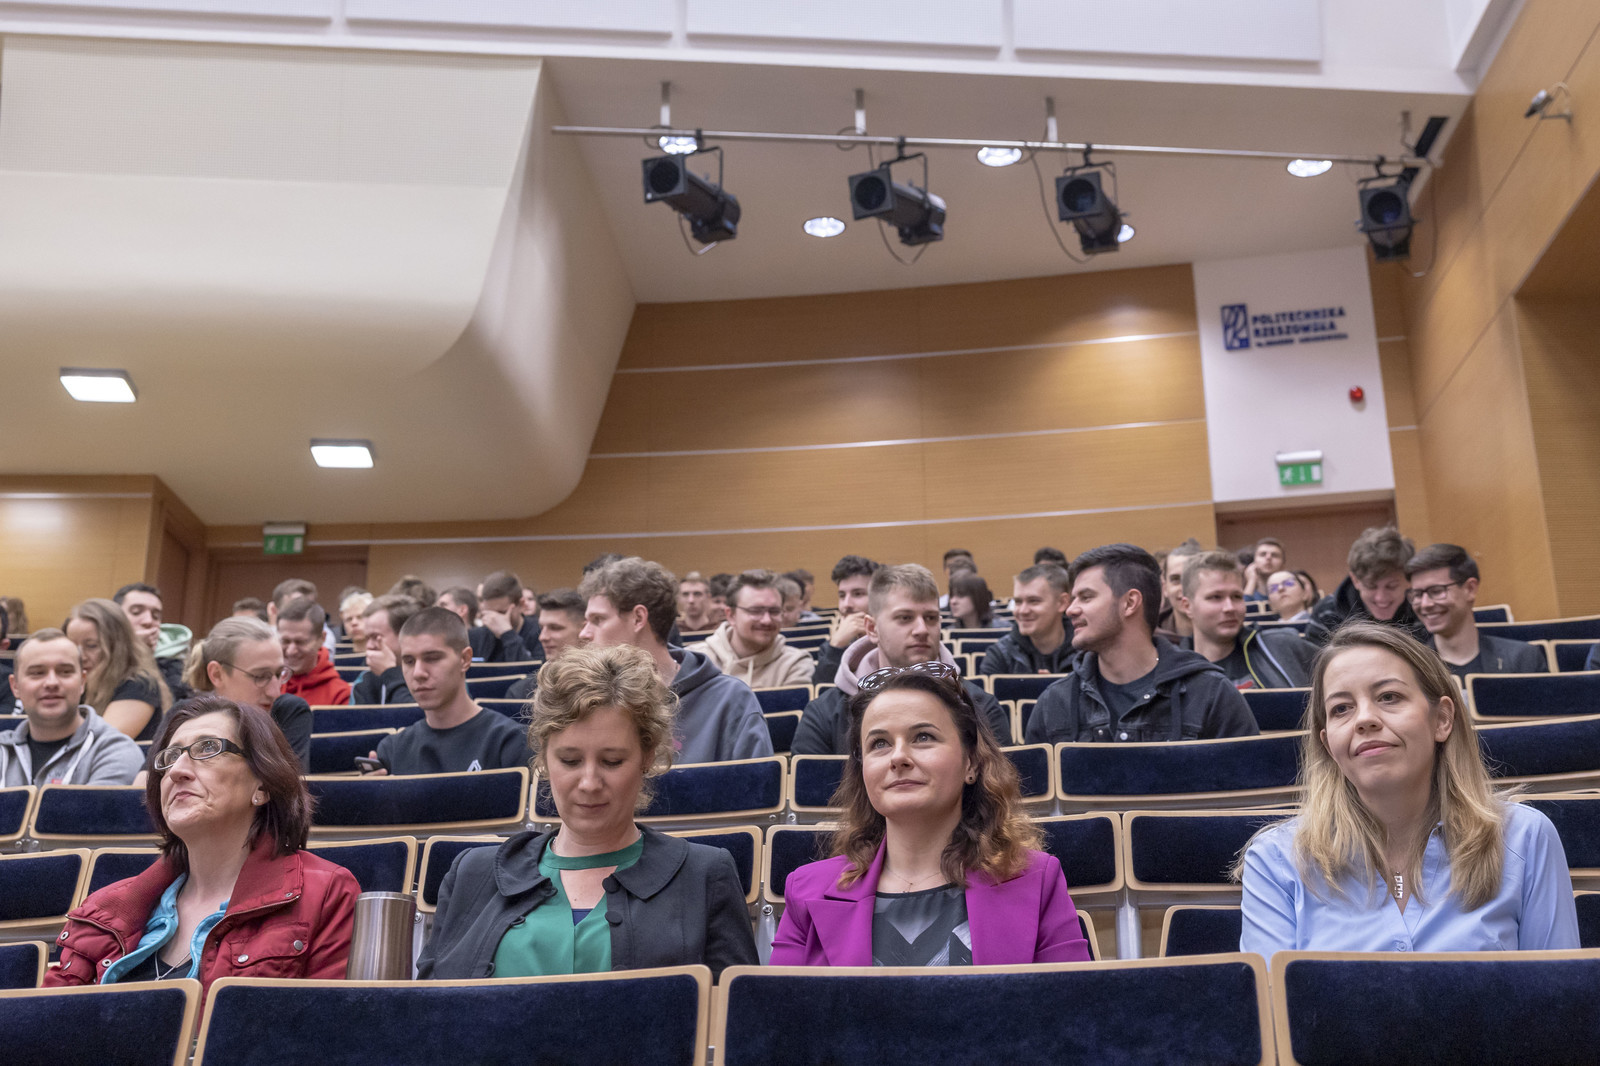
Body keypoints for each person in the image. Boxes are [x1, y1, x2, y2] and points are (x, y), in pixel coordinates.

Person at [418, 645, 758, 979]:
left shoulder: (705, 875)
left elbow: (737, 1009)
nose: (589, 783)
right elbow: (430, 1005)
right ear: (544, 757)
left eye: (612, 761)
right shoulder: (471, 874)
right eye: (570, 760)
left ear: (647, 756)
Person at [1238, 623, 1579, 955]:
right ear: (1328, 745)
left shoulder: (1524, 837)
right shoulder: (1276, 861)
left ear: (1442, 719)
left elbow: (1560, 989)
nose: (1364, 719)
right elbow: (1270, 995)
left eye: (1389, 697)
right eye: (1341, 708)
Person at [773, 665, 1089, 966]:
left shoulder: (1037, 881)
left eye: (923, 737)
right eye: (879, 743)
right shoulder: (806, 892)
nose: (898, 757)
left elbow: (1069, 1003)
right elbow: (783, 1008)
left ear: (971, 763)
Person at [47, 696, 360, 997]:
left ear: (263, 785)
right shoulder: (102, 912)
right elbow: (50, 1023)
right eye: (170, 757)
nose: (177, 771)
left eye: (208, 748)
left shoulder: (325, 894)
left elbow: (327, 1028)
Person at [1024, 545, 1258, 744]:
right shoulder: (1054, 702)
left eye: (1086, 597)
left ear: (1130, 603)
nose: (1071, 610)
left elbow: (1251, 783)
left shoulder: (1211, 695)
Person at [794, 565, 1012, 754]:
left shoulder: (981, 707)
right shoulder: (822, 716)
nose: (922, 629)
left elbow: (1000, 787)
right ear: (872, 629)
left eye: (931, 618)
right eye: (905, 618)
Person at [579, 558, 772, 763]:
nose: (584, 633)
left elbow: (756, 783)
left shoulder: (731, 700)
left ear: (638, 618)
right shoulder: (582, 697)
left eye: (598, 620)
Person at [361, 608, 529, 775]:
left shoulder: (511, 741)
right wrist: (372, 791)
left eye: (432, 658)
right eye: (409, 661)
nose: (418, 673)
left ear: (465, 659)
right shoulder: (392, 750)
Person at [0, 628, 143, 785]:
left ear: (82, 682)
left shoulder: (117, 752)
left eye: (65, 672)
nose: (51, 683)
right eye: (37, 673)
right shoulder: (2, 750)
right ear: (15, 686)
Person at [185, 617, 313, 772]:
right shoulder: (185, 716)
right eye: (260, 676)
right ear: (217, 674)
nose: (275, 692)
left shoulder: (289, 712)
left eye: (279, 674)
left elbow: (290, 784)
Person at [1405, 544, 1546, 681]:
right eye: (1417, 594)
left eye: (1436, 591)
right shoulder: (1411, 668)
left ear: (1470, 589)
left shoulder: (1522, 659)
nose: (1425, 604)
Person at [1178, 552, 1317, 689]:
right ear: (1187, 606)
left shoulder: (1283, 645)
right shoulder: (1173, 670)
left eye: (1237, 596)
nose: (1229, 607)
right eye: (1216, 597)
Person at [687, 569, 815, 688]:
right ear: (731, 615)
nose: (766, 620)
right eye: (755, 611)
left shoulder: (795, 664)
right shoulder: (695, 660)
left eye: (774, 611)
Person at [65, 598, 171, 741]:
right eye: (72, 646)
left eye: (91, 646)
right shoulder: (76, 682)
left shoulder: (138, 685)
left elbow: (101, 743)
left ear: (117, 647)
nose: (80, 656)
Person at [1311, 526, 1427, 642]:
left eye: (1391, 586)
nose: (1381, 597)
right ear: (1355, 580)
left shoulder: (1425, 609)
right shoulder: (1327, 612)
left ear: (1409, 580)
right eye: (1371, 586)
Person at [980, 565, 1071, 675]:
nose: (1023, 611)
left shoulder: (1086, 654)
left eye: (1034, 601)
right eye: (1018, 602)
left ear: (1062, 603)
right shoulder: (999, 656)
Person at [505, 589, 589, 702]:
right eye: (541, 628)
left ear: (584, 630)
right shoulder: (521, 693)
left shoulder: (605, 687)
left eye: (555, 628)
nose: (543, 637)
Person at [114, 582, 193, 702]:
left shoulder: (176, 668)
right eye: (136, 612)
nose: (148, 621)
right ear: (115, 617)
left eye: (155, 616)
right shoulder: (96, 653)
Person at [815, 555, 881, 686]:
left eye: (858, 594)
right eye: (842, 595)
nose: (846, 605)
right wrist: (836, 647)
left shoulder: (895, 642)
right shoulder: (831, 647)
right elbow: (824, 693)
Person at [277, 599, 351, 707]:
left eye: (300, 642)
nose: (291, 651)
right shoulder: (264, 685)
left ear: (322, 639)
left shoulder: (339, 695)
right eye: (285, 641)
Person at [350, 595, 420, 704]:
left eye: (375, 637)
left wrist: (390, 674)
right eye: (367, 638)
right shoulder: (366, 680)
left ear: (405, 636)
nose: (368, 646)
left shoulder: (431, 674)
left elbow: (413, 713)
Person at [480, 571, 542, 664]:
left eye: (501, 613)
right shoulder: (478, 635)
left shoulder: (540, 632)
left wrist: (507, 634)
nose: (494, 619)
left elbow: (533, 671)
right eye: (490, 613)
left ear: (521, 605)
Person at [1155, 540, 1201, 640]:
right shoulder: (1151, 639)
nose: (1184, 587)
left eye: (1192, 578)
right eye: (1176, 579)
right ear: (1165, 588)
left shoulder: (1229, 635)